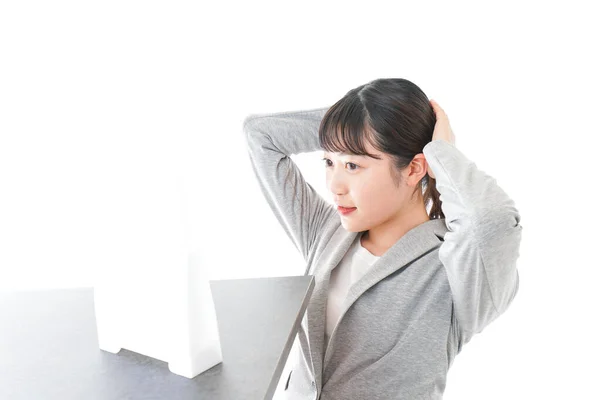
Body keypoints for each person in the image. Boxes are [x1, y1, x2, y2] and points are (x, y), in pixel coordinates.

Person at [242, 78, 523, 400]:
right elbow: (260, 135)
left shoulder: (458, 268)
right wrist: (351, 122)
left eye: (352, 165)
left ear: (415, 168)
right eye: (329, 163)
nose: (335, 185)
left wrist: (440, 151)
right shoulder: (326, 232)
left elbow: (491, 221)